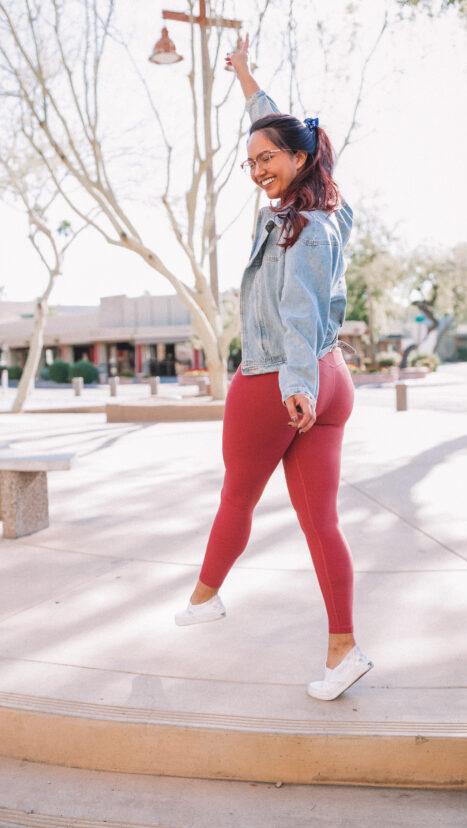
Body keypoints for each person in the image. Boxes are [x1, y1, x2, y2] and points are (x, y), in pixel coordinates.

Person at [175, 35, 373, 701]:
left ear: (298, 158)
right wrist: (243, 76)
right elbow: (276, 121)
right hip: (329, 376)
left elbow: (297, 308)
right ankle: (342, 651)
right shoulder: (328, 209)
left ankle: (204, 598)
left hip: (279, 377)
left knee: (238, 494)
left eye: (268, 158)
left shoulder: (303, 229)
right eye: (250, 160)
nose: (257, 167)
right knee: (322, 525)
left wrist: (294, 386)